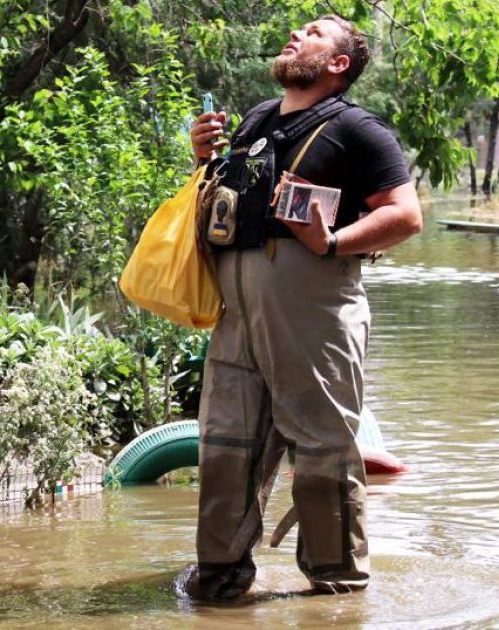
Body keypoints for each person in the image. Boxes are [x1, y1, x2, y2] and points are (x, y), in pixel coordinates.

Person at [184, 15, 422, 599]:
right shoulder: (258, 119)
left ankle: (337, 588)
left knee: (322, 446)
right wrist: (200, 158)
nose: (296, 35)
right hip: (236, 309)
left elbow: (406, 215)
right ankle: (220, 579)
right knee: (226, 442)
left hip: (313, 307)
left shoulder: (359, 130)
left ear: (339, 64)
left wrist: (333, 241)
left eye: (314, 33)